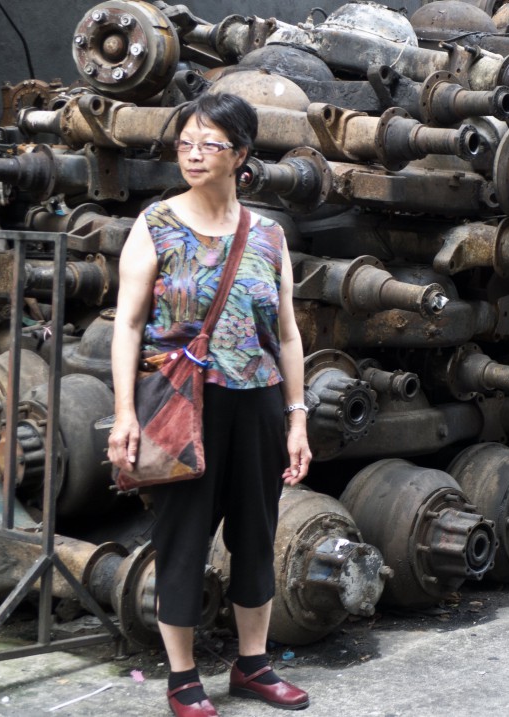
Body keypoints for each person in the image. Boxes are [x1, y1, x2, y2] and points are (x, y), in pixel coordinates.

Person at [108, 92, 312, 717]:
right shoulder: (157, 225)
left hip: (256, 402)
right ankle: (183, 678)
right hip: (180, 405)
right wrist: (125, 413)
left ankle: (253, 666)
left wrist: (297, 416)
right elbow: (127, 324)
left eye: (210, 145)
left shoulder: (269, 235)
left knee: (257, 534)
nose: (194, 156)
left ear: (241, 154)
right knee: (184, 538)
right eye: (185, 144)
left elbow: (285, 333)